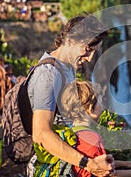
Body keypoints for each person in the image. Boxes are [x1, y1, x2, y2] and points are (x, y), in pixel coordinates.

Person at [27, 15, 114, 176]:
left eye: (93, 52)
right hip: (52, 168)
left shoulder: (67, 69)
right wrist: (87, 164)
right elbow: (41, 134)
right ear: (70, 40)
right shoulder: (48, 75)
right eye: (88, 49)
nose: (89, 58)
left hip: (64, 160)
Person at [69, 80, 131, 177]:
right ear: (90, 108)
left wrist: (127, 164)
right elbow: (104, 173)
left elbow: (93, 162)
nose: (102, 109)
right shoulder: (93, 139)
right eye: (100, 103)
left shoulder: (71, 134)